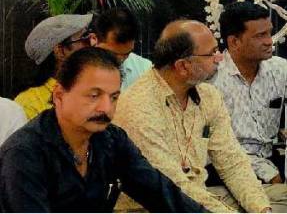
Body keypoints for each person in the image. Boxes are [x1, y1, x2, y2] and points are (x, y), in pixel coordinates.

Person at [113, 20, 287, 212]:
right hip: (156, 206)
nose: (220, 58)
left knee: (285, 196)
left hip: (201, 193)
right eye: (212, 53)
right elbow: (173, 190)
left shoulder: (208, 95)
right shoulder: (139, 107)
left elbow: (232, 161)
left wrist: (262, 209)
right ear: (183, 66)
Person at [0, 47, 204, 212]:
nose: (106, 108)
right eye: (94, 95)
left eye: (114, 97)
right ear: (59, 95)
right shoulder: (24, 153)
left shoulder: (111, 139)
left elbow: (162, 195)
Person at [210, 0, 287, 184]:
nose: (269, 41)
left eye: (269, 33)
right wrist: (268, 174)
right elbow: (216, 148)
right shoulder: (212, 78)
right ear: (234, 42)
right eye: (260, 36)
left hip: (271, 158)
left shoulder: (280, 69)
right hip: (225, 165)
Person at [15, 13, 97, 119]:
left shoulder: (98, 87)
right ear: (60, 51)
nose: (93, 43)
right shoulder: (29, 103)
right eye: (84, 39)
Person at [93, 8, 154, 89]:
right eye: (113, 53)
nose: (120, 59)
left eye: (127, 54)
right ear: (94, 39)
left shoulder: (144, 69)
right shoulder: (79, 70)